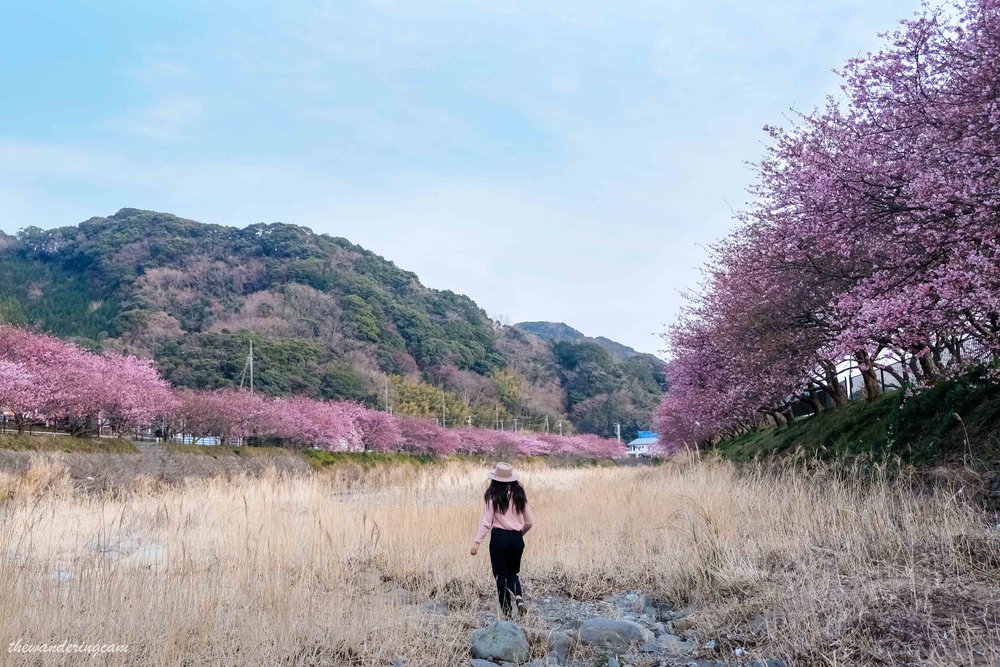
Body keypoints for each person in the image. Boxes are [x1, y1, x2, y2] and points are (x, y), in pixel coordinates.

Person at [470, 462, 534, 619]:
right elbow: (530, 522)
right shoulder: (520, 497)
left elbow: (486, 522)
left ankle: (507, 615)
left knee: (500, 576)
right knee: (514, 573)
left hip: (499, 538)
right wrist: (519, 535)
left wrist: (477, 542)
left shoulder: (493, 497)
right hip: (516, 538)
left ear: (495, 480)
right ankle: (518, 598)